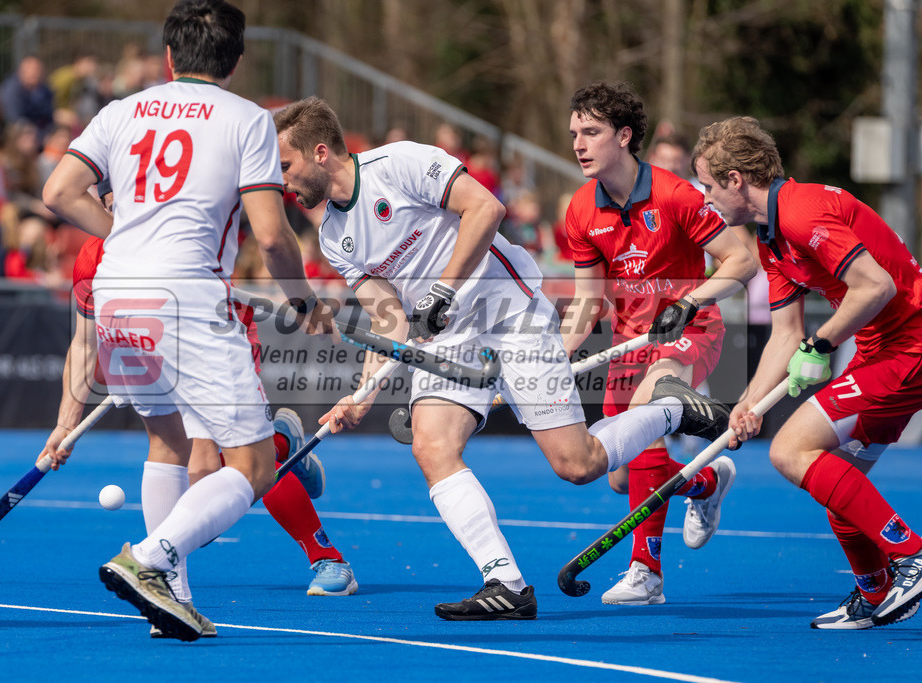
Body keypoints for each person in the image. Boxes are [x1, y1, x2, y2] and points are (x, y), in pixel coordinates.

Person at [273, 95, 736, 621]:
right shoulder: (334, 235)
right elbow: (388, 322)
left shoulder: (397, 163)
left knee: (577, 464)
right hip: (444, 335)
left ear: (319, 153)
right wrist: (363, 394)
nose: (282, 182)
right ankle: (506, 583)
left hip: (508, 310)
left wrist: (442, 292)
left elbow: (486, 208)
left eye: (285, 166)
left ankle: (673, 409)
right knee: (431, 446)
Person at [41, 0, 332, 641]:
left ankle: (170, 599)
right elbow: (273, 236)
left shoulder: (120, 111)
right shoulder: (247, 120)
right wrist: (306, 303)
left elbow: (58, 192)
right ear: (235, 59)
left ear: (170, 56)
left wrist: (126, 238)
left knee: (168, 440)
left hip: (116, 289)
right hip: (187, 298)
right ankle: (149, 561)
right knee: (253, 466)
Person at [47, 225, 356, 631]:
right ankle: (172, 600)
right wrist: (64, 424)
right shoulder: (95, 254)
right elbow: (85, 343)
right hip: (152, 342)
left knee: (241, 463)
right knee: (200, 471)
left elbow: (268, 234)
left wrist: (303, 300)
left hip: (212, 330)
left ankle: (327, 558)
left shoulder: (176, 221)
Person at [694, 116, 922, 630]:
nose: (705, 198)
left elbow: (875, 286)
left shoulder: (801, 211)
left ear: (736, 180)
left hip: (909, 347)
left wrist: (822, 344)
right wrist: (746, 406)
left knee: (791, 449)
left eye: (709, 185)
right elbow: (784, 333)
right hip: (881, 348)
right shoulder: (771, 236)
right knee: (839, 483)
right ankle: (873, 590)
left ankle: (911, 554)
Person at [558, 82, 757, 606]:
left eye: (592, 132)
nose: (579, 143)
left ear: (624, 136)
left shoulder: (674, 194)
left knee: (649, 407)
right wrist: (551, 354)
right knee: (619, 477)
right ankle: (706, 483)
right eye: (575, 132)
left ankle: (646, 574)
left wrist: (689, 303)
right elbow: (587, 303)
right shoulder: (581, 210)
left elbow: (742, 261)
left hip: (691, 332)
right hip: (629, 343)